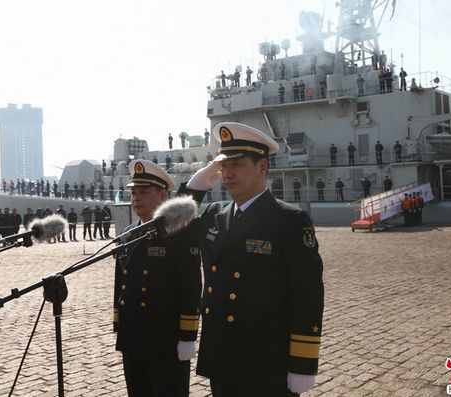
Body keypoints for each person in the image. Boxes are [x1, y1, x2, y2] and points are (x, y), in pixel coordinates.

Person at [176, 122, 324, 396]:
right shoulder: (214, 214)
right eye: (223, 166)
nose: (227, 173)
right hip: (221, 357)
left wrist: (303, 363)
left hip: (266, 362)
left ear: (262, 168)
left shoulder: (289, 220)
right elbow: (171, 230)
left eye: (237, 165)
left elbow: (307, 295)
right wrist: (196, 186)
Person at [114, 159, 201, 397]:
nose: (136, 198)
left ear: (163, 195)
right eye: (133, 193)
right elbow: (120, 282)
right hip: (132, 337)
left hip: (165, 339)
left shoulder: (178, 233)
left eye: (143, 192)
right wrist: (118, 323)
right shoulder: (127, 233)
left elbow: (191, 287)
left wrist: (187, 337)